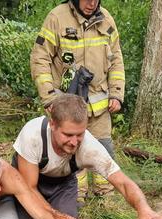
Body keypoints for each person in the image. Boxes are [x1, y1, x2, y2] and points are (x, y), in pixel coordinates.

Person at [13, 93, 162, 219]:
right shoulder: (33, 135)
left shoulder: (89, 146)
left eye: (80, 134)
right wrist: (53, 214)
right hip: (28, 184)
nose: (74, 142)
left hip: (62, 184)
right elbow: (29, 188)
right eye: (68, 135)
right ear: (53, 124)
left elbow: (123, 183)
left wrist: (144, 209)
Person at [30, 0, 125, 198]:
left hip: (99, 108)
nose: (92, 3)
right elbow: (40, 58)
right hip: (66, 106)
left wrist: (116, 93)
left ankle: (106, 201)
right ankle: (76, 198)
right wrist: (48, 98)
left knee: (104, 152)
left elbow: (116, 59)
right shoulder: (57, 17)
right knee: (70, 153)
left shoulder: (106, 19)